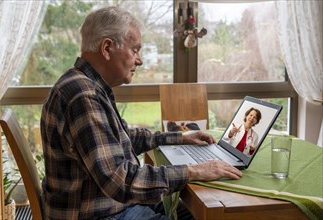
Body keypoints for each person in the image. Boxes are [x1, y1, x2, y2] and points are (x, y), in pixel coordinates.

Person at [40, 6, 242, 220]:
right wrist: (194, 171)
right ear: (107, 48)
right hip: (100, 213)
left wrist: (181, 137)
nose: (140, 60)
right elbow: (120, 181)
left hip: (108, 206)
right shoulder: (83, 96)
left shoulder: (87, 85)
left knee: (201, 214)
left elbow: (123, 137)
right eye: (135, 50)